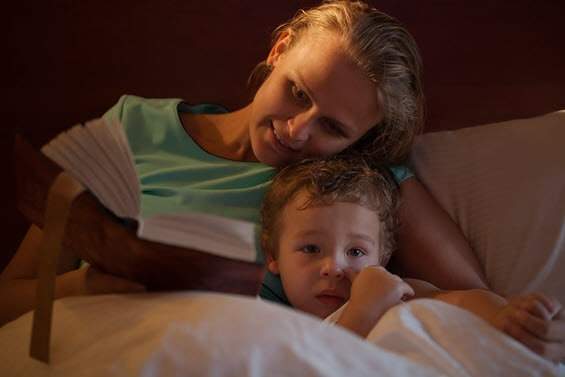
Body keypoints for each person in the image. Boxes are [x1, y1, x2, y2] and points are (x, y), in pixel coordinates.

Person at [0, 0, 542, 341]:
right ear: (279, 50)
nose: (297, 132)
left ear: (359, 140)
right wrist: (89, 286)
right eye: (296, 92)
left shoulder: (350, 182)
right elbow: (10, 298)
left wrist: (525, 325)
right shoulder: (132, 127)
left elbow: (470, 296)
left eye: (332, 127)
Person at [260, 157, 565, 362]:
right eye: (312, 249)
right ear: (273, 256)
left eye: (356, 252)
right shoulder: (268, 324)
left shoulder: (399, 291)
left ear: (383, 257)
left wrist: (506, 317)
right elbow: (318, 365)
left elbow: (460, 301)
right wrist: (364, 309)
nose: (333, 268)